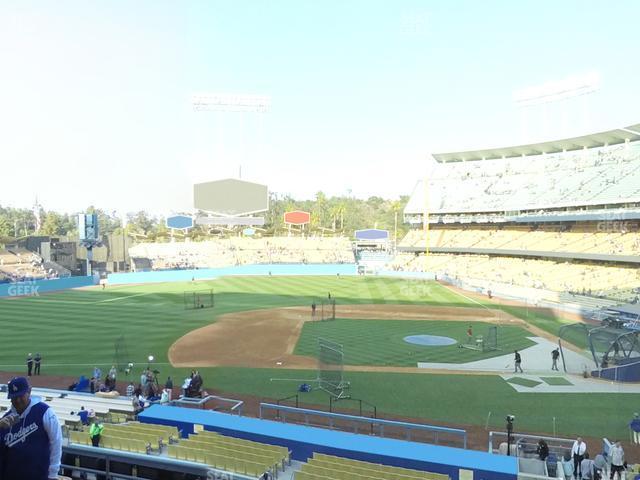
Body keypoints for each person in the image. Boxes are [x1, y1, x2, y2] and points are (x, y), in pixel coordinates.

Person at [0, 376, 62, 480]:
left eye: (21, 396)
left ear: (29, 391)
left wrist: (53, 475)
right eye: (14, 397)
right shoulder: (6, 419)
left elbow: (56, 442)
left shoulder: (44, 411)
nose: (18, 400)